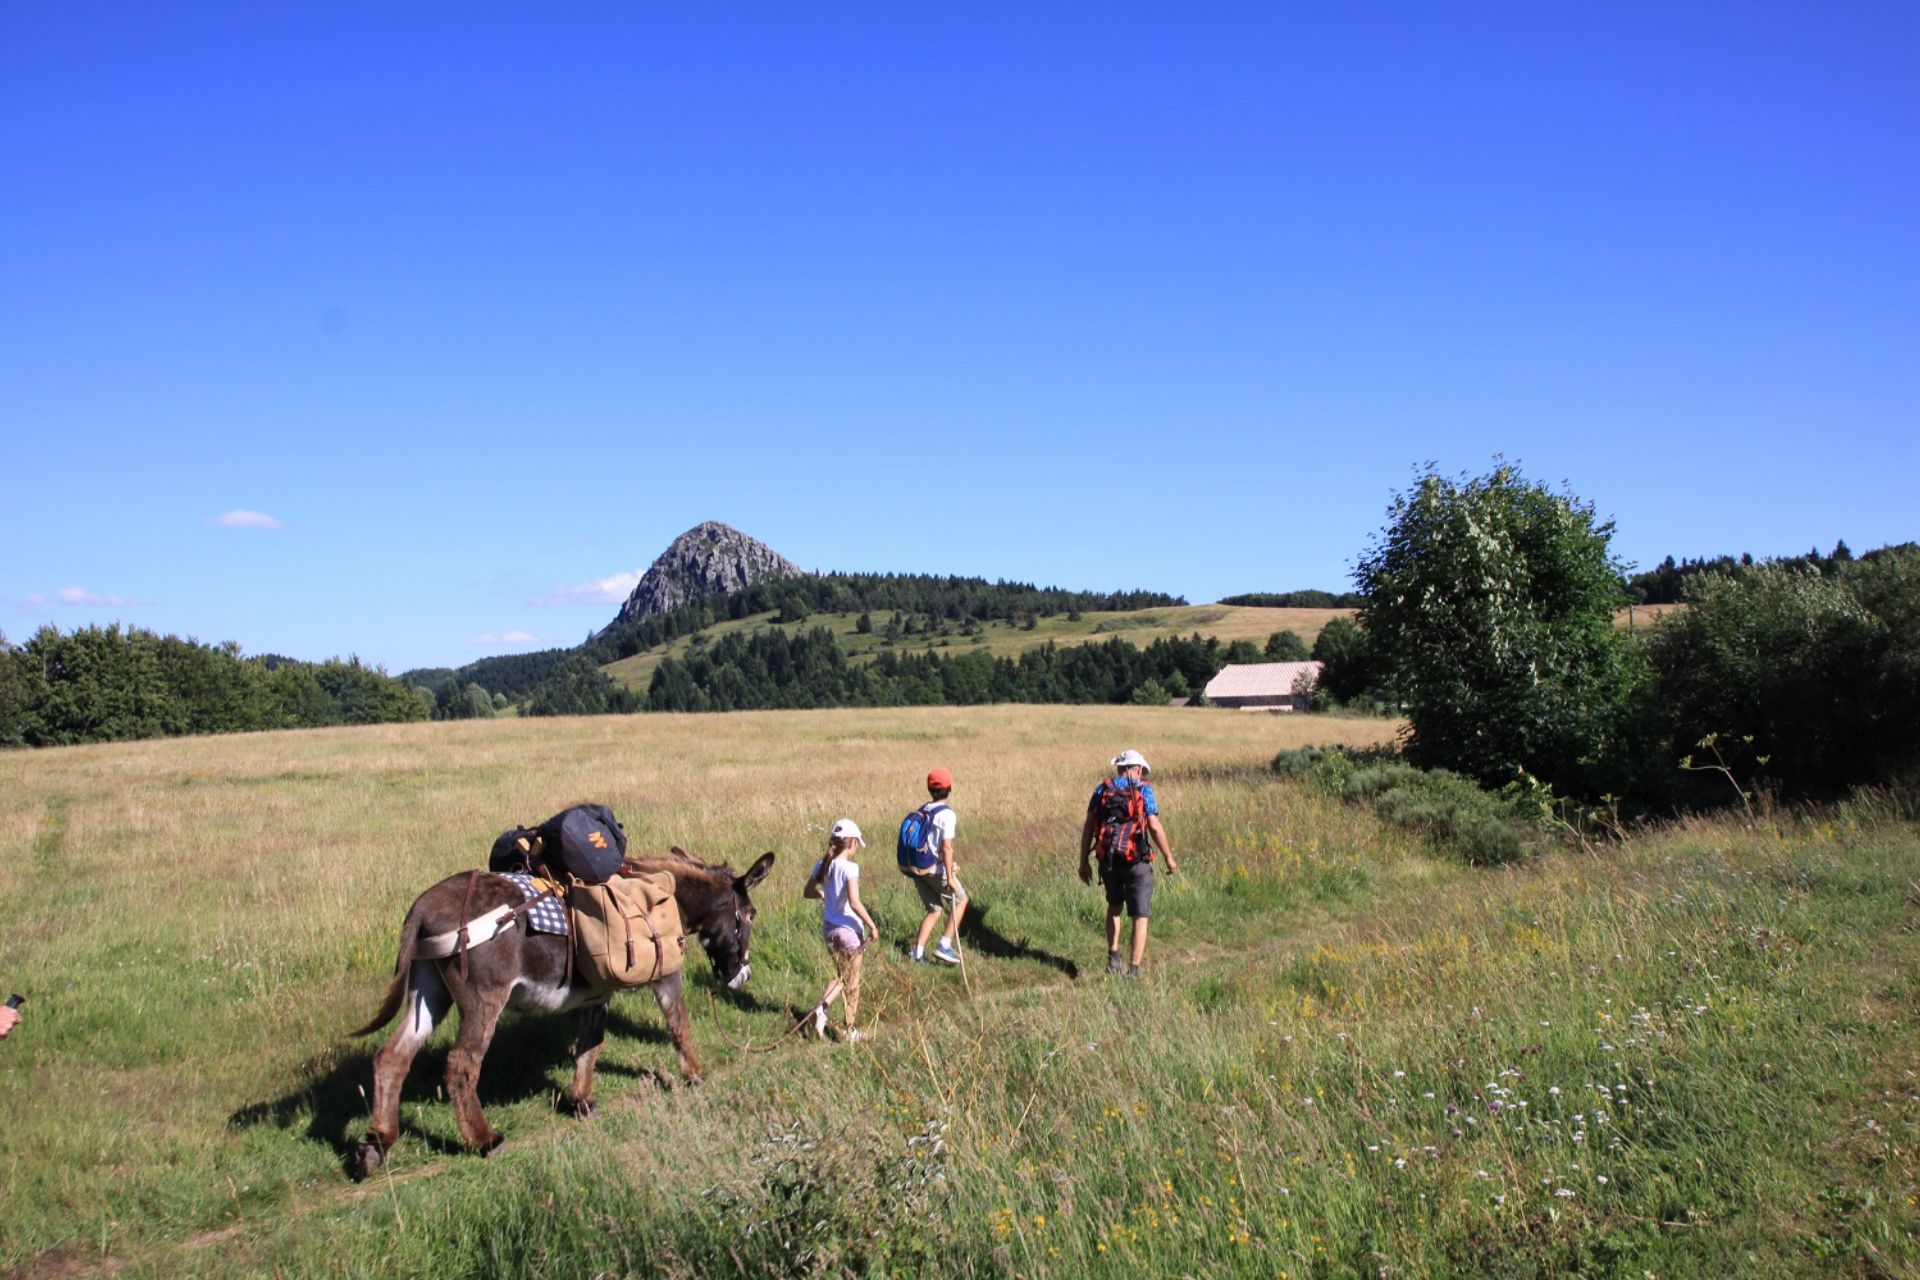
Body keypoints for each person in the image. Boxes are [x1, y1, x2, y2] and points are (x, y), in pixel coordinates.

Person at [1079, 749, 1178, 977]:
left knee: (1114, 907)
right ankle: (1133, 971)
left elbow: (1088, 826)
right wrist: (1169, 857)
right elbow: (1153, 825)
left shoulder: (1102, 788)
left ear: (1119, 768)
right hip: (1137, 861)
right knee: (1139, 915)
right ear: (1139, 769)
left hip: (1109, 859)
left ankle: (1113, 958)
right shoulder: (1144, 789)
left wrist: (1083, 861)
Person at [801, 819, 881, 1042]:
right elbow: (855, 902)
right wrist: (872, 926)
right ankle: (849, 1029)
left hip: (829, 929)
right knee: (852, 982)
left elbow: (808, 891)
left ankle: (820, 1010)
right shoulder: (850, 868)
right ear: (853, 843)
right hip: (848, 930)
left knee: (840, 976)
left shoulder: (822, 865)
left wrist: (823, 895)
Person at [908, 767, 966, 965]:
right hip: (934, 869)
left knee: (934, 910)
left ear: (929, 788)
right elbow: (947, 848)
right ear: (949, 788)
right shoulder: (947, 815)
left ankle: (917, 954)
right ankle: (944, 945)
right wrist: (950, 877)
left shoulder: (924, 809)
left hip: (916, 868)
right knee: (961, 900)